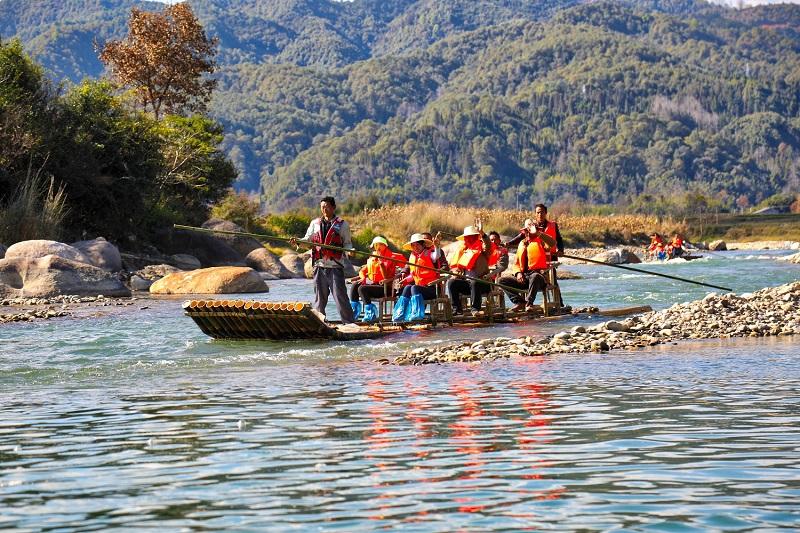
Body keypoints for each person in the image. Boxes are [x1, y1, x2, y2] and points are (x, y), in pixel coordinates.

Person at [291, 196, 355, 323]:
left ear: (333, 207)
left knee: (340, 296)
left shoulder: (343, 225)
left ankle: (349, 322)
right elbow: (307, 240)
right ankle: (320, 322)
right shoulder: (314, 224)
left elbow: (347, 244)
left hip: (335, 266)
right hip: (319, 266)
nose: (324, 209)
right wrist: (298, 241)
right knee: (319, 298)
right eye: (322, 207)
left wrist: (350, 251)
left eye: (327, 207)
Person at [498, 222, 556, 312]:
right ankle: (520, 302)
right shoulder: (522, 243)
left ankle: (529, 303)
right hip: (524, 278)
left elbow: (552, 243)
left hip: (539, 278)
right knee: (501, 280)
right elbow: (517, 263)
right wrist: (518, 273)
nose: (528, 233)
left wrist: (537, 233)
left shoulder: (541, 241)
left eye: (530, 231)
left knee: (535, 276)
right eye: (526, 231)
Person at [348, 236, 403, 322]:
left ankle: (371, 313)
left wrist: (381, 264)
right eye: (376, 245)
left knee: (362, 289)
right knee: (355, 285)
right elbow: (362, 271)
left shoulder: (390, 257)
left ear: (385, 246)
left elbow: (386, 277)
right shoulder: (372, 257)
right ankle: (354, 311)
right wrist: (363, 278)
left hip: (386, 288)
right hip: (374, 285)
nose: (378, 247)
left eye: (381, 244)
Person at [446, 222, 492, 316]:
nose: (469, 239)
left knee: (474, 282)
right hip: (467, 284)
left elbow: (488, 245)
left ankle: (475, 309)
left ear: (476, 237)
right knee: (451, 283)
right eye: (467, 237)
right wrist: (456, 273)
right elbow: (456, 268)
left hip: (482, 283)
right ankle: (457, 309)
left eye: (471, 237)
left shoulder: (482, 249)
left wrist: (482, 233)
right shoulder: (464, 251)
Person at [392, 233, 440, 322]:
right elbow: (413, 275)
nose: (415, 247)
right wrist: (404, 280)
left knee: (414, 287)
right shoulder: (413, 257)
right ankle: (400, 313)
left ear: (423, 245)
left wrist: (437, 246)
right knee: (407, 287)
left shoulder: (429, 254)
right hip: (419, 288)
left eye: (417, 244)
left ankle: (417, 313)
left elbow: (436, 256)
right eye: (413, 245)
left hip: (431, 289)